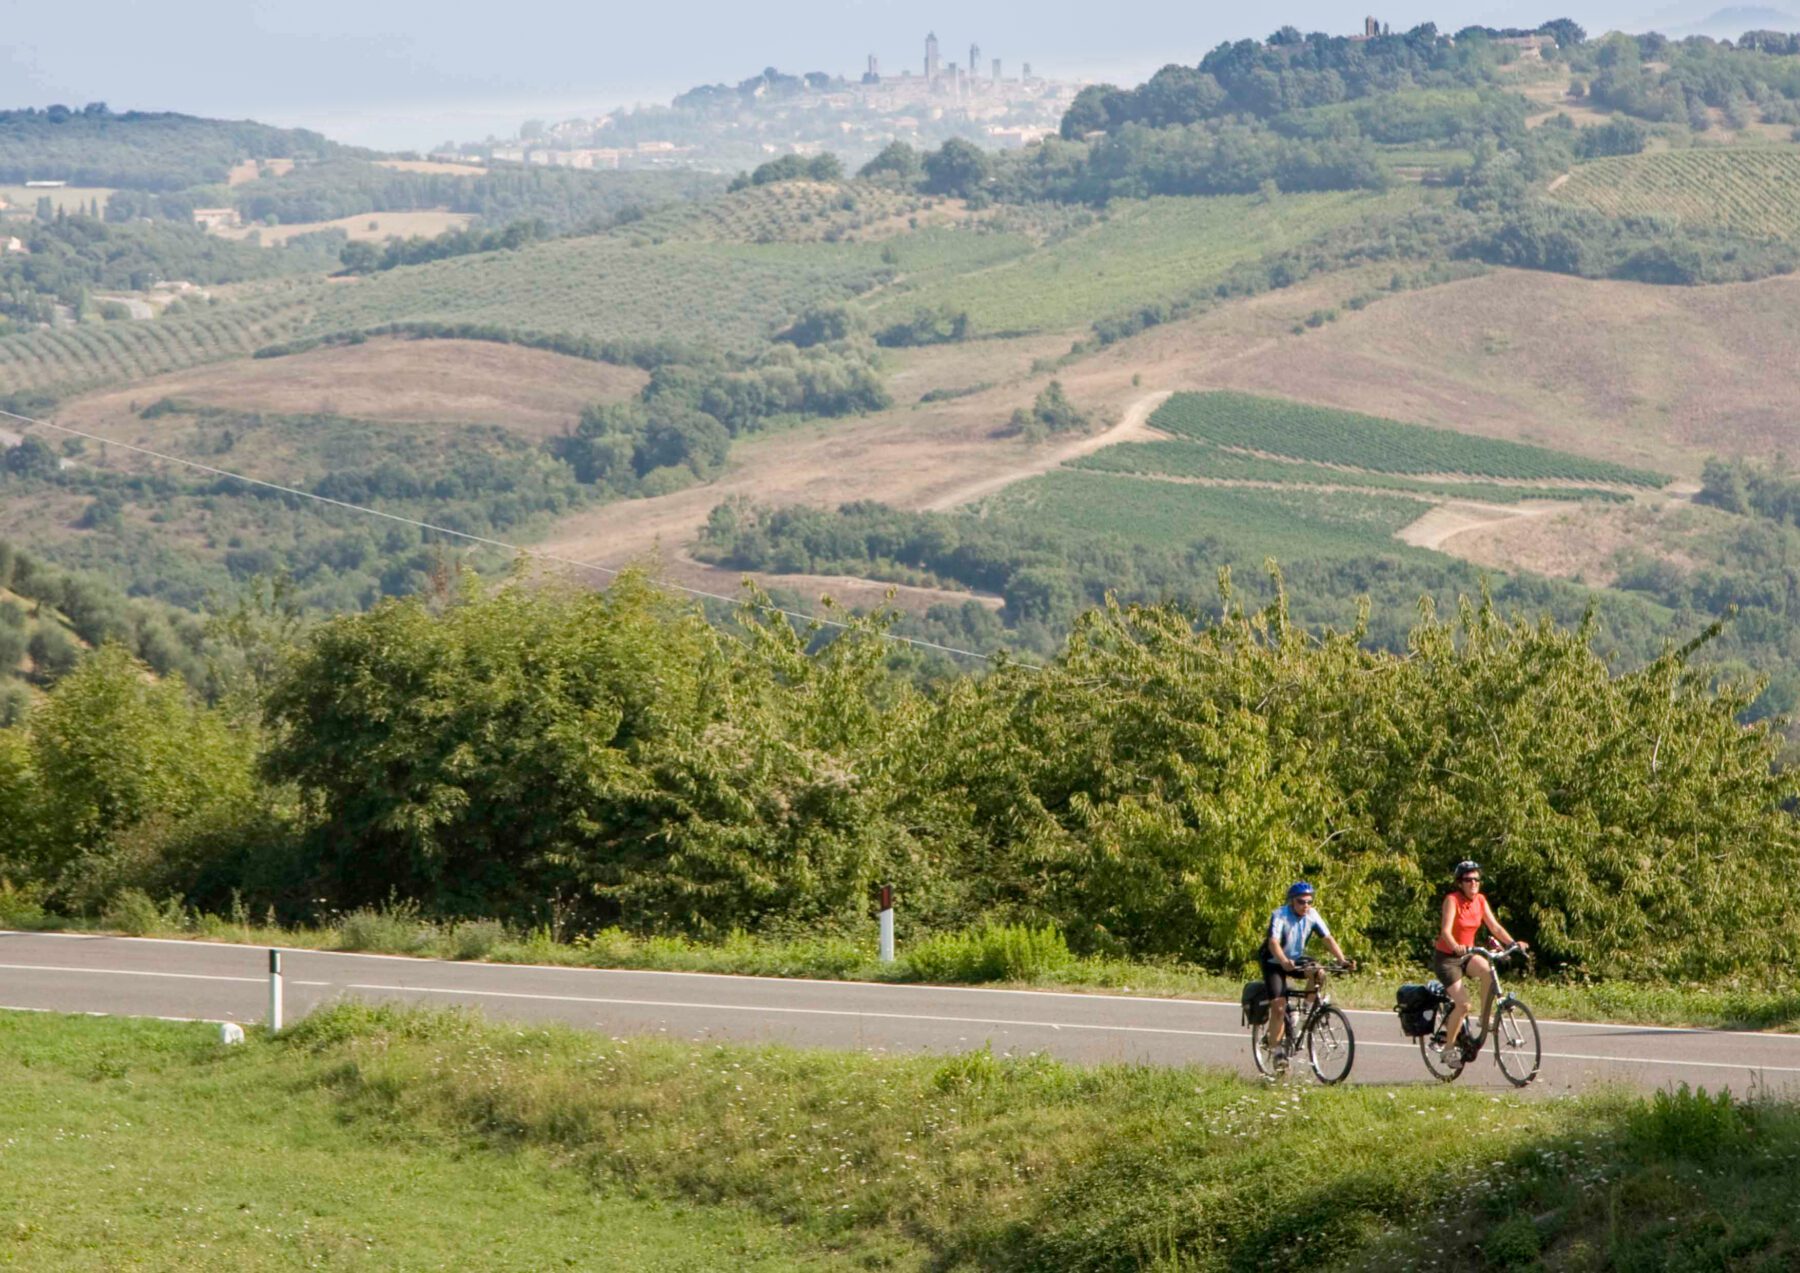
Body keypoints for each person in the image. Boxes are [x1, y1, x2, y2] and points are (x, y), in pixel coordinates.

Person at [1433, 860, 1527, 1064]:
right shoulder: (1452, 900)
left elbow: (1495, 927)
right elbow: (1446, 932)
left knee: (1488, 972)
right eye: (1468, 879)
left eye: (1476, 879)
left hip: (1468, 954)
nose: (1473, 883)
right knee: (1464, 1004)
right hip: (1448, 958)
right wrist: (1455, 946)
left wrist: (1513, 943)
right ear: (1460, 883)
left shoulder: (1480, 901)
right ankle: (1448, 1049)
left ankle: (1483, 1020)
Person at [1262, 881, 1351, 1068]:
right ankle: (1277, 1052)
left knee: (1318, 972)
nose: (1306, 905)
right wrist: (1284, 962)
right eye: (1301, 902)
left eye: (1309, 901)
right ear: (1292, 901)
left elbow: (1327, 938)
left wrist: (1342, 960)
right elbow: (1273, 943)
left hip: (1295, 958)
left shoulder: (1312, 915)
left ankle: (1305, 1014)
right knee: (1278, 1006)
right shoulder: (1280, 915)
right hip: (1274, 961)